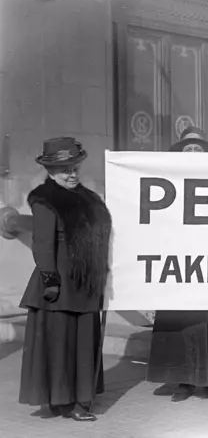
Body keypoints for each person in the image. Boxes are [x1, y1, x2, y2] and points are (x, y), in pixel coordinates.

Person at [146, 126, 208, 402]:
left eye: (198, 148)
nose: (192, 153)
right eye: (187, 148)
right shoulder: (166, 183)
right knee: (182, 322)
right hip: (178, 263)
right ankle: (183, 382)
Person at [19, 137, 111, 421]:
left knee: (83, 344)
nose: (71, 175)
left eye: (74, 168)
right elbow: (43, 245)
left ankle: (81, 398)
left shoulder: (89, 199)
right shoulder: (45, 201)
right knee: (60, 344)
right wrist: (51, 282)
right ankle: (65, 400)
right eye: (64, 170)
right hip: (58, 287)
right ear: (50, 171)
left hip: (85, 284)